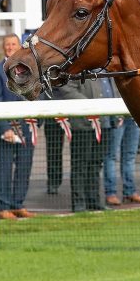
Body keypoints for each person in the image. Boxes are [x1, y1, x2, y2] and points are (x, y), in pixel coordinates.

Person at [0, 34, 37, 219]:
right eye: (7, 44)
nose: (10, 47)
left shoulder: (29, 70)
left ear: (19, 47)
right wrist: (4, 128)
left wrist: (35, 124)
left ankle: (18, 204)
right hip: (8, 128)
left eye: (13, 44)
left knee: (24, 166)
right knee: (5, 166)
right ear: (3, 48)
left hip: (26, 127)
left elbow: (35, 95)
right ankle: (3, 207)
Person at [54, 78, 107, 212]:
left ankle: (93, 201)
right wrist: (91, 107)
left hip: (103, 123)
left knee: (96, 164)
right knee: (80, 165)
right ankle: (79, 203)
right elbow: (67, 90)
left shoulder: (103, 69)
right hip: (82, 125)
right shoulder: (74, 69)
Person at [99, 78, 140, 206]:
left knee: (129, 156)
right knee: (111, 156)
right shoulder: (110, 71)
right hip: (116, 115)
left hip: (132, 116)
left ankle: (130, 192)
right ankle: (111, 193)